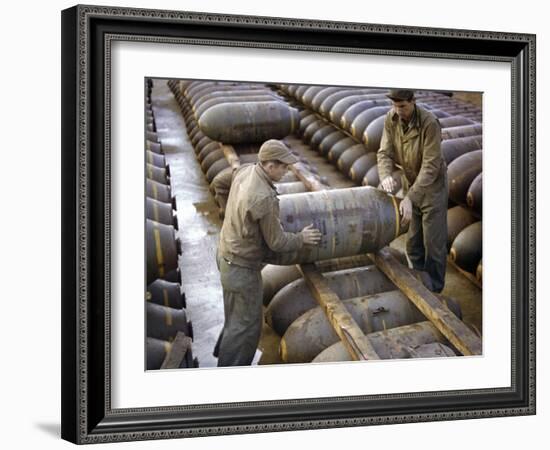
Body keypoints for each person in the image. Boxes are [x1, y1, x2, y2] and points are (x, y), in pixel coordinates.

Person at [215, 139, 322, 366]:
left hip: (225, 253)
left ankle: (223, 358)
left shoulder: (245, 170)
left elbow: (219, 183)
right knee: (247, 327)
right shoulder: (264, 197)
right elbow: (276, 242)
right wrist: (301, 238)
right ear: (270, 165)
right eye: (283, 167)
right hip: (241, 269)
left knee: (234, 317)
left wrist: (229, 217)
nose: (287, 171)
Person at [377, 89, 448, 292]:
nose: (398, 111)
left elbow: (431, 166)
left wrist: (409, 198)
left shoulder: (429, 123)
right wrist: (386, 176)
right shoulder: (391, 119)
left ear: (413, 101)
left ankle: (435, 290)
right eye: (394, 105)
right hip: (411, 184)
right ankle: (421, 281)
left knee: (433, 244)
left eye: (402, 106)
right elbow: (384, 152)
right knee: (413, 243)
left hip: (433, 188)